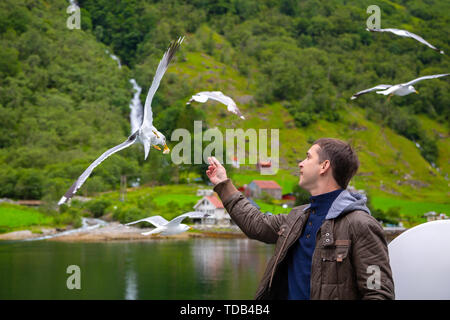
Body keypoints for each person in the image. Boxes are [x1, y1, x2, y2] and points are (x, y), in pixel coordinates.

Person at [206, 138, 395, 300]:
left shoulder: (361, 225)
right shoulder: (297, 217)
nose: (301, 163)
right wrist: (223, 184)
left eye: (308, 157)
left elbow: (378, 293)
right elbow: (256, 223)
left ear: (324, 166)